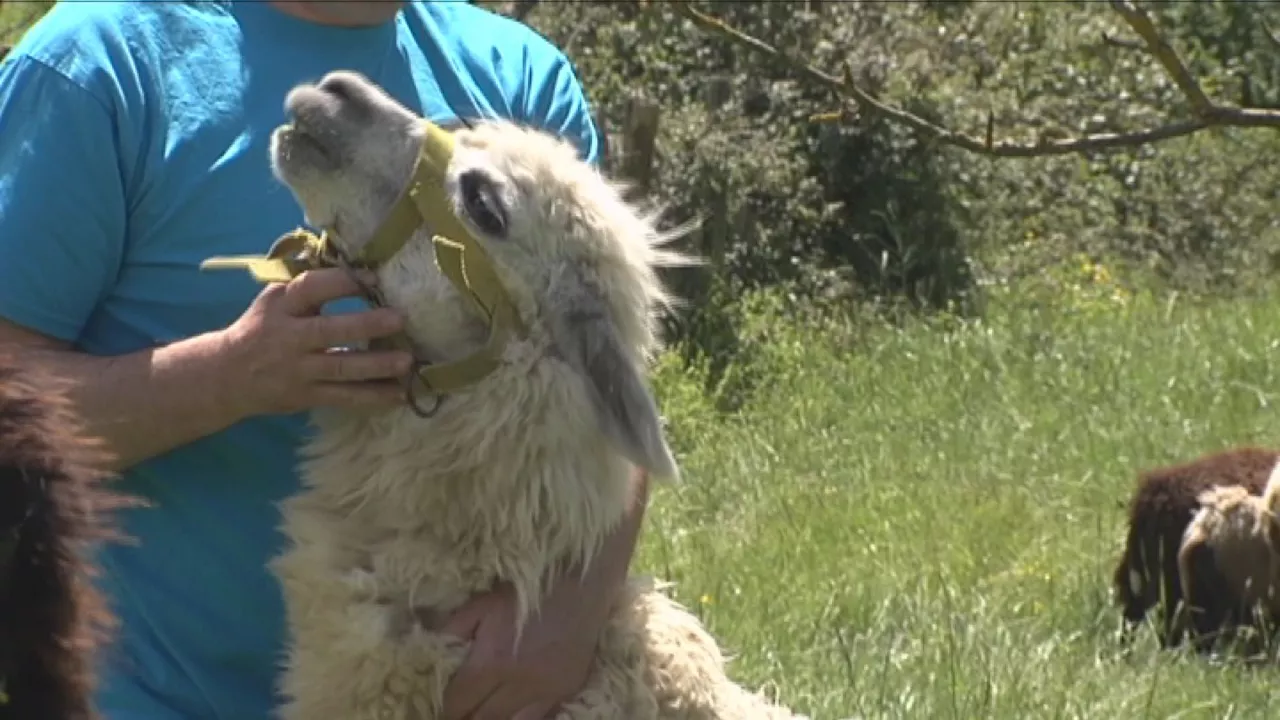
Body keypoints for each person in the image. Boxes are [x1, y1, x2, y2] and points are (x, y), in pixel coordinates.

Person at [0, 1, 649, 719]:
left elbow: (613, 395)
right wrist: (227, 375)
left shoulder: (518, 79)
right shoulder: (101, 67)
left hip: (444, 699)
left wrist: (570, 614)